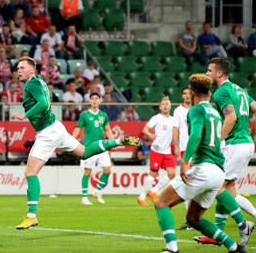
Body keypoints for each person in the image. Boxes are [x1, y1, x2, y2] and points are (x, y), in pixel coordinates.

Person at [11, 56, 142, 229]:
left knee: (30, 173)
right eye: (18, 68)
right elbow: (49, 96)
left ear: (31, 70)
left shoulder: (31, 84)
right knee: (86, 152)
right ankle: (118, 141)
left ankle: (31, 216)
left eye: (22, 67)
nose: (18, 70)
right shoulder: (41, 83)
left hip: (47, 133)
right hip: (57, 127)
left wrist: (24, 114)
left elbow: (43, 103)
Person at [147, 74, 248, 253]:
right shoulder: (214, 112)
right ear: (209, 93)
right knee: (194, 219)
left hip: (204, 169)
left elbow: (194, 137)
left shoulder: (194, 111)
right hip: (218, 172)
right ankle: (234, 247)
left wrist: (185, 161)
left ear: (192, 94)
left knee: (161, 202)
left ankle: (171, 250)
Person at [195, 57, 256, 245]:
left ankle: (243, 225)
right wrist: (252, 136)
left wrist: (217, 141)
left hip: (235, 144)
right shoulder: (240, 90)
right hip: (245, 143)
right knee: (228, 190)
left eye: (209, 70)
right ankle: (254, 221)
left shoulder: (221, 92)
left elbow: (231, 117)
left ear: (219, 73)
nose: (207, 73)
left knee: (218, 187)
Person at [72, 93, 114, 205]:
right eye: (92, 99)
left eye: (96, 98)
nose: (94, 101)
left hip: (101, 147)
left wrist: (112, 142)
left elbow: (108, 129)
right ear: (89, 101)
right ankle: (84, 198)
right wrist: (71, 141)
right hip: (89, 148)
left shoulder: (103, 115)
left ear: (99, 101)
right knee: (87, 172)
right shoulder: (84, 115)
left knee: (108, 170)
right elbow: (77, 128)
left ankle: (97, 191)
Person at [138, 97, 175, 206]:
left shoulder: (173, 120)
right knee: (153, 173)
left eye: (167, 104)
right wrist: (150, 135)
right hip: (156, 150)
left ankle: (154, 191)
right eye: (163, 104)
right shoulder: (156, 118)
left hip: (167, 151)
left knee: (172, 174)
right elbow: (145, 129)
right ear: (160, 107)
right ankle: (142, 197)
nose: (165, 106)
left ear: (170, 106)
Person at [172, 86, 193, 230]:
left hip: (197, 148)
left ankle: (192, 220)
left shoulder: (198, 108)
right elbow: (176, 129)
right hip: (186, 148)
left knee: (189, 183)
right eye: (184, 94)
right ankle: (191, 220)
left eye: (188, 93)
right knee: (188, 182)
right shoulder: (178, 111)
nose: (186, 96)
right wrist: (176, 145)